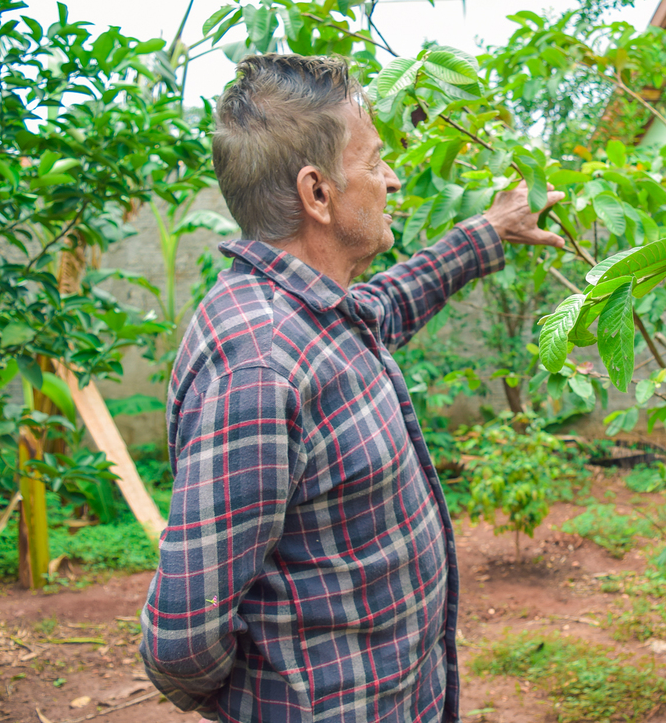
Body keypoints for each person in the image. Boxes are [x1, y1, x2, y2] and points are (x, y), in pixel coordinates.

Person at [138, 53, 564, 723]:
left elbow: (389, 303)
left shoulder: (316, 312)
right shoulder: (258, 365)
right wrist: (269, 701)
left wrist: (490, 231)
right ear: (318, 193)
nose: (391, 179)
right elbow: (180, 639)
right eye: (373, 164)